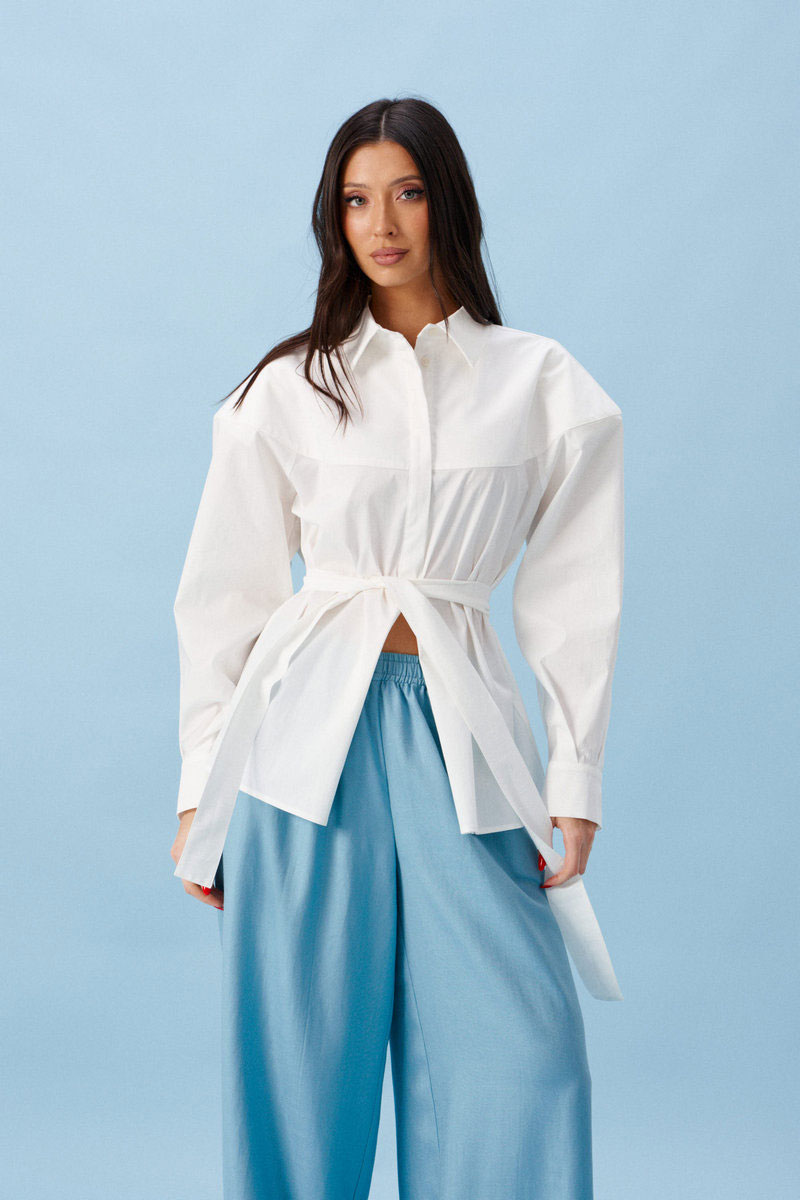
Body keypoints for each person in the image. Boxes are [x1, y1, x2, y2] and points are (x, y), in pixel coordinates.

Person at [170, 96, 625, 1200]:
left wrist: (574, 779)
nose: (381, 224)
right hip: (302, 748)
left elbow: (576, 594)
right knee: (296, 1070)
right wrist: (199, 788)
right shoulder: (287, 389)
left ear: (447, 203)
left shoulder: (540, 384)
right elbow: (224, 597)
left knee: (522, 1061)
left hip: (463, 737)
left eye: (408, 193)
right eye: (356, 200)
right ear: (333, 219)